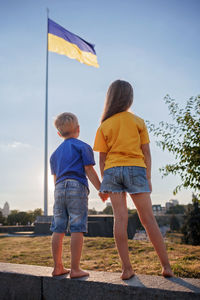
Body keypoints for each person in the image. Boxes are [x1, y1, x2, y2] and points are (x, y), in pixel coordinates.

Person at [93, 80, 173, 280]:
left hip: (112, 171)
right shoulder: (138, 121)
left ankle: (126, 269)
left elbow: (102, 158)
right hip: (136, 169)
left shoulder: (105, 125)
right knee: (148, 220)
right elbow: (146, 152)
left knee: (120, 219)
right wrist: (148, 177)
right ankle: (166, 266)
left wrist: (104, 183)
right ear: (129, 98)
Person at [50, 112, 107, 278]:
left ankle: (57, 267)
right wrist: (101, 189)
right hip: (77, 186)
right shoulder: (83, 146)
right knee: (77, 227)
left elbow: (55, 179)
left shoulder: (54, 154)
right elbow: (89, 169)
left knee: (58, 228)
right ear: (78, 129)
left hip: (59, 189)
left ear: (59, 134)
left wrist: (60, 195)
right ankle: (75, 269)